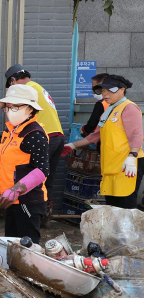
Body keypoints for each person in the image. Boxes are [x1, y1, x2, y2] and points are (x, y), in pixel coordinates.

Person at [0, 84, 49, 243]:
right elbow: (15, 158)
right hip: (11, 199)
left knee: (28, 248)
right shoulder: (11, 130)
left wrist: (16, 190)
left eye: (15, 107)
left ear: (30, 109)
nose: (9, 111)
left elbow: (42, 170)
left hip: (27, 201)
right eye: (7, 107)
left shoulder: (35, 134)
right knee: (13, 245)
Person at [61, 75, 144, 209]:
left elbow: (136, 134)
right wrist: (72, 145)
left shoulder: (129, 108)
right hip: (111, 165)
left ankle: (126, 231)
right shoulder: (109, 109)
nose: (105, 94)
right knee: (112, 206)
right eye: (103, 90)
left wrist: (132, 156)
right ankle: (114, 231)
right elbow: (96, 135)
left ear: (122, 90)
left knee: (126, 206)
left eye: (109, 90)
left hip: (127, 164)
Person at [5, 64, 64, 226]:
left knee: (34, 174)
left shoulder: (28, 90)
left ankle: (33, 215)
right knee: (47, 179)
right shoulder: (38, 87)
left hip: (43, 136)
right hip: (57, 135)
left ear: (13, 80)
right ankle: (45, 216)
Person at [80, 73, 109, 137]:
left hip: (101, 138)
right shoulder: (121, 103)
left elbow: (91, 124)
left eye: (95, 88)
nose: (93, 92)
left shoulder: (101, 104)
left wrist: (84, 129)